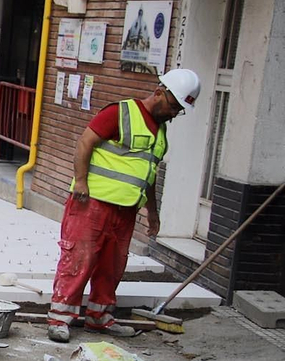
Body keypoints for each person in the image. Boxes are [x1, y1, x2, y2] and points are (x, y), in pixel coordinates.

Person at [47, 68, 199, 343]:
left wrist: (152, 211)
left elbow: (148, 174)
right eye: (174, 106)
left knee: (112, 265)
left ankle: (100, 317)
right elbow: (85, 143)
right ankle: (60, 318)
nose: (175, 113)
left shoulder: (160, 131)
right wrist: (80, 182)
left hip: (125, 209)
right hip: (92, 203)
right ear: (159, 93)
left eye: (180, 109)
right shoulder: (120, 113)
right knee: (79, 259)